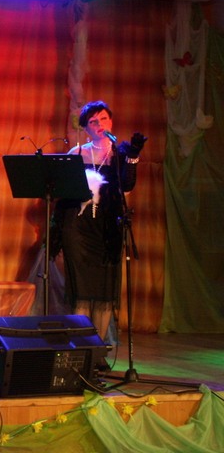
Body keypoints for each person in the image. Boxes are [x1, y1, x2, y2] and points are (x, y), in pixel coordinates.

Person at [51, 101, 147, 341]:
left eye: (103, 119)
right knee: (81, 290)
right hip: (77, 227)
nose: (99, 124)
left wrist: (133, 156)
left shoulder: (120, 154)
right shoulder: (76, 154)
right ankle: (81, 347)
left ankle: (98, 348)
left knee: (104, 292)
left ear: (111, 122)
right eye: (93, 121)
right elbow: (61, 190)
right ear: (85, 128)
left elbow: (127, 186)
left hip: (107, 229)